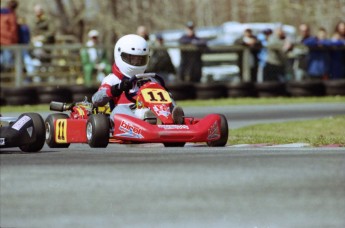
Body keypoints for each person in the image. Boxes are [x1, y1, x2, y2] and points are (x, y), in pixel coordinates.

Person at [92, 34, 184, 124]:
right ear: (120, 55)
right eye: (132, 58)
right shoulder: (112, 79)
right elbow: (96, 100)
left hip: (148, 111)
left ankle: (174, 118)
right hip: (125, 116)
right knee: (119, 110)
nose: (137, 62)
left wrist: (167, 96)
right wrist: (117, 88)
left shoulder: (150, 79)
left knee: (168, 98)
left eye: (140, 59)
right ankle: (143, 122)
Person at [0, 0, 18, 72]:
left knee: (6, 61)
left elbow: (13, 29)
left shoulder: (8, 14)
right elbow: (13, 30)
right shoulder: (10, 15)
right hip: (6, 42)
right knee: (6, 62)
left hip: (6, 42)